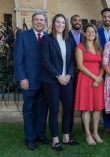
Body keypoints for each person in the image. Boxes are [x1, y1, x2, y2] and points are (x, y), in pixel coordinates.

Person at [40, 14, 77, 151]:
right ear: (54, 23)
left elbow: (73, 61)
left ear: (65, 25)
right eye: (58, 22)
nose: (60, 24)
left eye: (62, 22)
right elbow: (45, 61)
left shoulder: (69, 40)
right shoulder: (46, 39)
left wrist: (68, 75)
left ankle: (66, 137)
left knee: (68, 109)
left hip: (67, 80)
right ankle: (55, 139)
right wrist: (58, 76)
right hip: (51, 81)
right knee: (54, 110)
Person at [14, 12, 49, 150]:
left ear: (45, 22)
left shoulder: (47, 37)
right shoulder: (23, 36)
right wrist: (22, 77)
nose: (39, 22)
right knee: (29, 110)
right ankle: (30, 138)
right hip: (28, 81)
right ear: (32, 21)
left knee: (42, 110)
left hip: (45, 82)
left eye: (41, 20)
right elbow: (18, 59)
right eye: (36, 20)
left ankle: (40, 135)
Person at [74, 24, 104, 145]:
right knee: (86, 108)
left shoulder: (99, 48)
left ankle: (95, 133)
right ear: (85, 33)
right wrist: (94, 77)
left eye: (93, 32)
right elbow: (80, 66)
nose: (91, 33)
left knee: (97, 108)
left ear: (95, 34)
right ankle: (87, 134)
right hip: (85, 79)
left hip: (98, 81)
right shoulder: (80, 47)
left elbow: (103, 64)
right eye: (88, 32)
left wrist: (99, 77)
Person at [97, 7, 110, 133]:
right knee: (104, 97)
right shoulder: (96, 33)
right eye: (104, 17)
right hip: (100, 70)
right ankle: (107, 124)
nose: (107, 18)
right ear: (102, 18)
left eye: (109, 16)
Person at [68, 14, 83, 140]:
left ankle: (86, 128)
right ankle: (69, 129)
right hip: (71, 74)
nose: (77, 22)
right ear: (71, 22)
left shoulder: (85, 35)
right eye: (75, 20)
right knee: (69, 103)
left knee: (85, 101)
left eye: (79, 20)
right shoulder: (66, 35)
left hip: (83, 74)